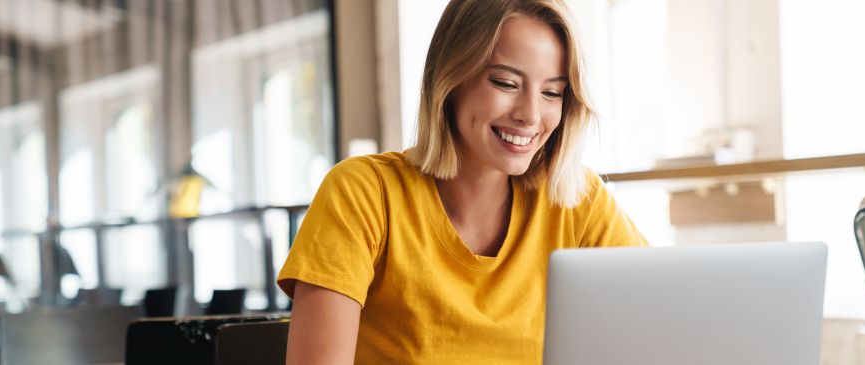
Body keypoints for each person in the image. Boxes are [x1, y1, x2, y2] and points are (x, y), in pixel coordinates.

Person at [276, 0, 647, 363]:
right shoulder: (363, 192)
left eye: (552, 92)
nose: (531, 115)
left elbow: (658, 316)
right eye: (505, 83)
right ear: (450, 80)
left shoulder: (577, 201)